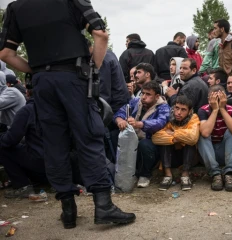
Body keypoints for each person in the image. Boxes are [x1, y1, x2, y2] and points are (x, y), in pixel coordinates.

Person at [0, 0, 135, 229]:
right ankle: (103, 206)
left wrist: (39, 70)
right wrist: (94, 68)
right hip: (74, 77)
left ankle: (68, 210)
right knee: (89, 137)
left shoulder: (15, 7)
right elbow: (100, 34)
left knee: (54, 143)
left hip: (43, 83)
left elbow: (5, 53)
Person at [113, 81, 170, 188]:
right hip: (133, 139)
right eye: (143, 93)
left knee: (145, 144)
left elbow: (159, 123)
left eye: (148, 94)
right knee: (114, 135)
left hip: (152, 143)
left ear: (157, 96)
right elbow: (120, 112)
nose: (143, 97)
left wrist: (139, 124)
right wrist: (120, 121)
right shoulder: (136, 102)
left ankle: (145, 175)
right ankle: (118, 171)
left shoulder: (163, 107)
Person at [0, 88, 47, 198]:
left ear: (27, 92)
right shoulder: (57, 108)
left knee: (2, 147)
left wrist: (2, 137)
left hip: (40, 162)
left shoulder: (27, 110)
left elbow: (10, 140)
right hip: (61, 165)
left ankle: (22, 186)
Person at [198, 85, 232, 191]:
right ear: (209, 99)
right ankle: (215, 174)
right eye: (214, 98)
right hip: (210, 152)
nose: (217, 100)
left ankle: (229, 173)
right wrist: (215, 110)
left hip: (226, 151)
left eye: (220, 98)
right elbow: (205, 133)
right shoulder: (203, 110)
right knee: (201, 134)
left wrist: (222, 108)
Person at [152, 96, 200, 191]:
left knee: (189, 143)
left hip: (188, 158)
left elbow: (193, 138)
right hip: (171, 156)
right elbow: (156, 137)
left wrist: (174, 133)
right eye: (177, 108)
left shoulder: (193, 118)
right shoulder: (169, 117)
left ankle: (185, 175)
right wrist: (174, 139)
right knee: (165, 142)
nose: (178, 112)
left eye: (183, 110)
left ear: (189, 111)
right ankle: (168, 175)